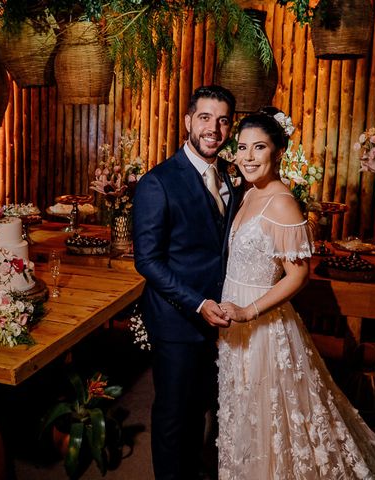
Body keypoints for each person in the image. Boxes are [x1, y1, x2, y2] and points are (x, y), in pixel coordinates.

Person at [216, 107, 375, 479]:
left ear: (277, 152)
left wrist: (249, 311)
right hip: (234, 323)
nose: (247, 157)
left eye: (259, 147)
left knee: (269, 414)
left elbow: (298, 276)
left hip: (262, 325)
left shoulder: (282, 203)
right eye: (242, 147)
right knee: (243, 406)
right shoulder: (248, 195)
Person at [133, 85, 243, 480]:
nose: (213, 128)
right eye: (204, 117)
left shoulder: (230, 177)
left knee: (202, 407)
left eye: (223, 119)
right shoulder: (157, 182)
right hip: (178, 319)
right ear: (187, 122)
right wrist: (197, 303)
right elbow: (147, 260)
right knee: (173, 415)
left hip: (221, 320)